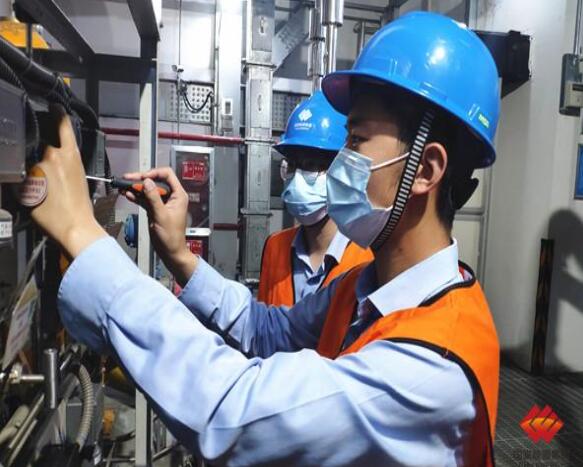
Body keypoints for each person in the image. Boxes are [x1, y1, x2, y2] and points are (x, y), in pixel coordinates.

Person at [31, 12, 500, 466]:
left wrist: (82, 232)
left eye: (355, 140)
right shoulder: (365, 289)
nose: (339, 163)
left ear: (425, 170)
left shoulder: (429, 369)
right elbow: (268, 330)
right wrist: (178, 255)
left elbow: (236, 414)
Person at [259, 90, 372, 306]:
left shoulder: (368, 257)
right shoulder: (275, 247)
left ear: (342, 170)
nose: (297, 179)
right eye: (292, 166)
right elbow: (264, 322)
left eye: (311, 165)